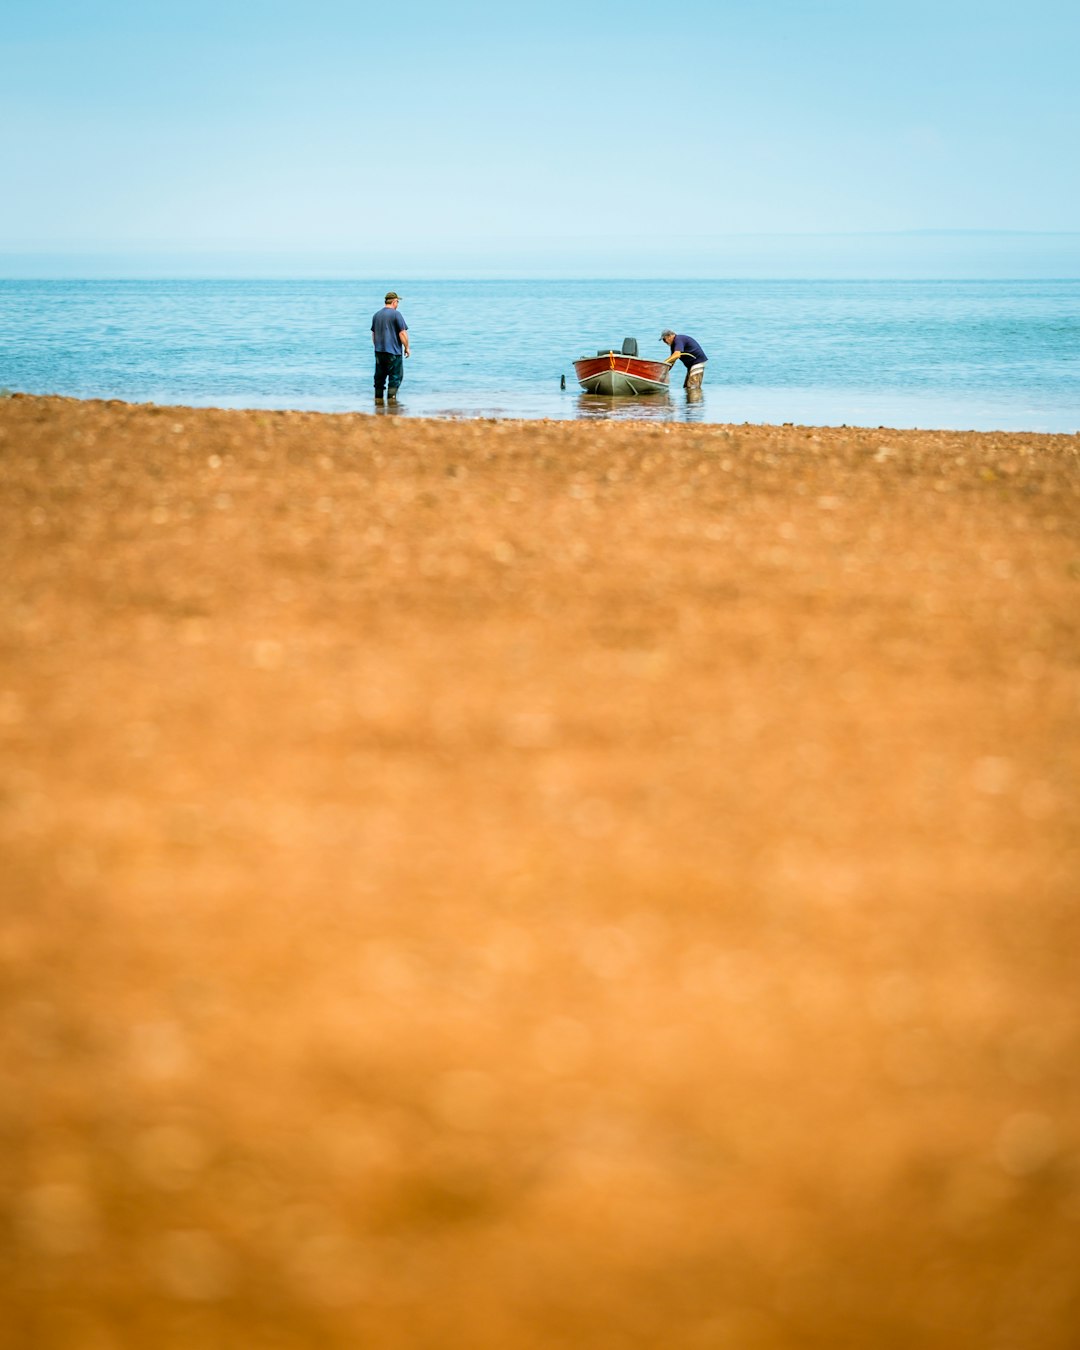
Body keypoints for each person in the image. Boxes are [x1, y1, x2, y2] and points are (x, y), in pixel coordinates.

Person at [371, 291, 410, 401]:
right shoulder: (396, 314)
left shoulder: (376, 315)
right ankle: (391, 401)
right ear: (394, 301)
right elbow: (402, 333)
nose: (397, 304)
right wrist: (407, 348)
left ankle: (378, 401)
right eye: (397, 302)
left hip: (379, 352)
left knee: (379, 378)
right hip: (393, 352)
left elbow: (374, 334)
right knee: (395, 377)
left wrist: (377, 347)